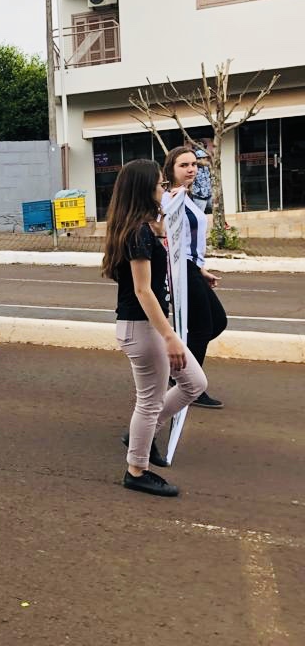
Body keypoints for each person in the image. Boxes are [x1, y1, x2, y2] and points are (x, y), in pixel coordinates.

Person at [102, 158, 207, 497]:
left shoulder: (144, 229)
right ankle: (136, 470)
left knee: (194, 383)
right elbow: (143, 290)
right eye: (160, 184)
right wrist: (170, 336)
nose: (164, 188)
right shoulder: (137, 233)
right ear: (145, 189)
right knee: (149, 402)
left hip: (148, 326)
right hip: (142, 328)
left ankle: (140, 437)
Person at [163, 145, 227, 409]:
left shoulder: (186, 197)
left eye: (194, 165)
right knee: (201, 328)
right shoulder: (168, 199)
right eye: (184, 165)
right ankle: (190, 386)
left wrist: (201, 269)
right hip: (180, 272)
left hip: (192, 268)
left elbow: (187, 242)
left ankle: (175, 372)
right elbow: (167, 240)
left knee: (217, 322)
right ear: (171, 169)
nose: (191, 169)